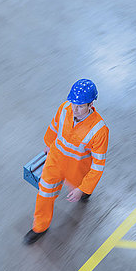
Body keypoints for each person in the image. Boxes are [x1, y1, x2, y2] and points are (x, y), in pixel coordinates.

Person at [24, 79, 109, 245]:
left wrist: (82, 189)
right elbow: (54, 127)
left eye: (80, 106)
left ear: (91, 104)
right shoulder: (64, 108)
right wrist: (49, 145)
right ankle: (40, 227)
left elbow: (98, 167)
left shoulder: (99, 131)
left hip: (77, 169)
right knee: (45, 192)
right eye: (73, 104)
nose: (75, 110)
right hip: (55, 161)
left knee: (79, 189)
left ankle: (85, 193)